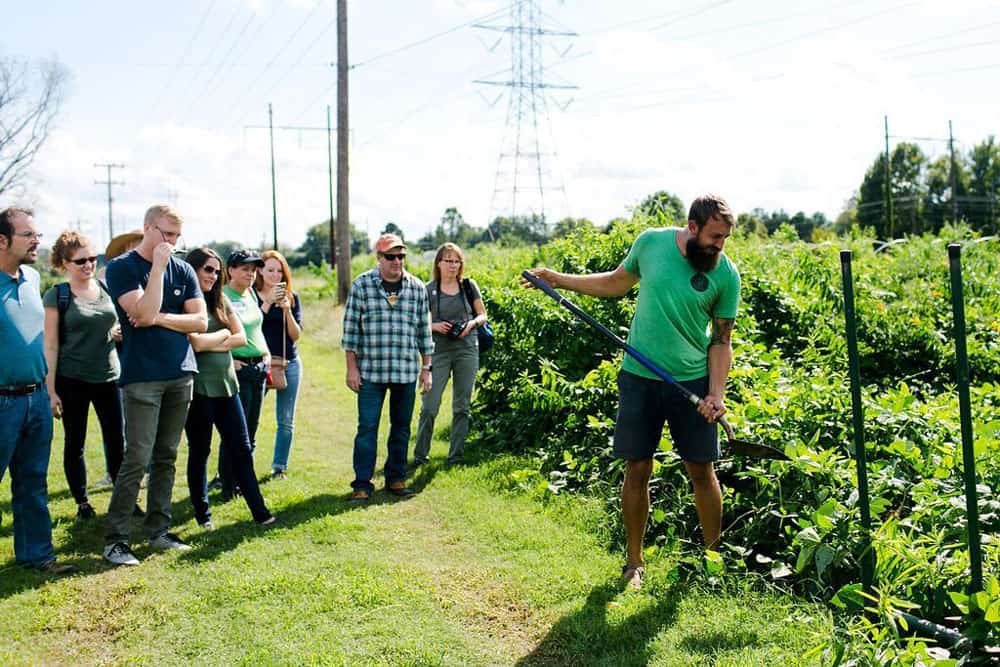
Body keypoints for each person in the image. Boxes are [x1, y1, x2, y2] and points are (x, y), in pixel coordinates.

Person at [524, 194, 741, 590]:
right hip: (639, 377)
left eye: (725, 237)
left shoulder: (726, 273)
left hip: (691, 381)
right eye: (714, 236)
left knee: (701, 469)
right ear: (692, 227)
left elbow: (722, 341)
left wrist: (715, 394)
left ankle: (713, 562)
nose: (719, 245)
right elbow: (615, 282)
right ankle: (634, 562)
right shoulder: (652, 244)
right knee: (637, 467)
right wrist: (558, 279)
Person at [102, 204, 207, 566]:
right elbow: (140, 314)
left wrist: (161, 318)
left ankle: (158, 531)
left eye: (178, 236)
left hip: (180, 373)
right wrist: (158, 269)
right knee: (138, 457)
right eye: (166, 234)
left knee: (167, 456)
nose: (173, 243)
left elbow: (201, 322)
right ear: (148, 228)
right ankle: (116, 540)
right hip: (142, 378)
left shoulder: (186, 269)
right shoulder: (121, 268)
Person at [0, 207, 77, 574]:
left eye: (36, 234)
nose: (37, 241)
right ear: (2, 240)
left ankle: (37, 555)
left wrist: (48, 391)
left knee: (32, 483)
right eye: (28, 235)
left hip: (36, 399)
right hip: (1, 402)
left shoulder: (31, 277)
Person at [184, 248, 276, 530]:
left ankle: (260, 512)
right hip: (199, 388)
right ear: (192, 271)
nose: (212, 275)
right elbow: (195, 343)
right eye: (206, 270)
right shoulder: (185, 303)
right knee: (200, 452)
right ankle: (203, 515)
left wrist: (217, 338)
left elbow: (240, 337)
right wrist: (223, 336)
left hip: (227, 385)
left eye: (215, 270)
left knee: (242, 448)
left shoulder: (220, 299)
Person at [342, 233, 432, 503]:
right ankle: (362, 483)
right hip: (371, 372)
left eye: (401, 256)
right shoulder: (362, 285)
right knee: (367, 427)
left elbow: (423, 332)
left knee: (401, 427)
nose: (396, 261)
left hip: (405, 371)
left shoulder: (417, 288)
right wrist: (351, 369)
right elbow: (350, 333)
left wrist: (426, 368)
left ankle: (396, 479)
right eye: (390, 256)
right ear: (378, 258)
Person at [42, 231, 125, 520]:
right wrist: (51, 391)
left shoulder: (105, 289)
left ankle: (123, 499)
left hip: (109, 376)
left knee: (117, 441)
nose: (88, 265)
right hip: (72, 378)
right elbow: (50, 344)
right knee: (74, 442)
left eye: (92, 258)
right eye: (80, 261)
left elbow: (118, 323)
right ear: (64, 263)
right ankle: (82, 503)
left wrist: (117, 333)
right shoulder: (58, 295)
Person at [412, 243, 488, 467]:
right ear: (438, 263)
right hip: (438, 352)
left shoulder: (468, 286)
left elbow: (482, 315)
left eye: (457, 261)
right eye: (448, 261)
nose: (453, 265)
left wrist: (471, 324)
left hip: (467, 349)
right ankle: (420, 455)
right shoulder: (427, 290)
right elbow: (418, 322)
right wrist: (435, 326)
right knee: (429, 405)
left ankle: (455, 455)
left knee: (462, 406)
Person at [216, 249, 269, 499]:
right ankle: (228, 484)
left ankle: (242, 479)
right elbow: (217, 330)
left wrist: (266, 355)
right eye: (245, 268)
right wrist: (230, 359)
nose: (251, 273)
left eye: (254, 268)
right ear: (231, 270)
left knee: (252, 428)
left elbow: (256, 328)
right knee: (236, 431)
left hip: (258, 368)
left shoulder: (250, 294)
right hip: (238, 368)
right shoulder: (222, 296)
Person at [255, 250, 303, 480]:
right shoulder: (252, 296)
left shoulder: (292, 297)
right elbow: (250, 327)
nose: (275, 275)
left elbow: (296, 335)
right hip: (259, 363)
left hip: (288, 362)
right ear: (260, 271)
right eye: (270, 270)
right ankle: (239, 466)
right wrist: (267, 302)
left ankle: (279, 467)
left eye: (279, 270)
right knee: (248, 417)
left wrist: (285, 309)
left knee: (285, 419)